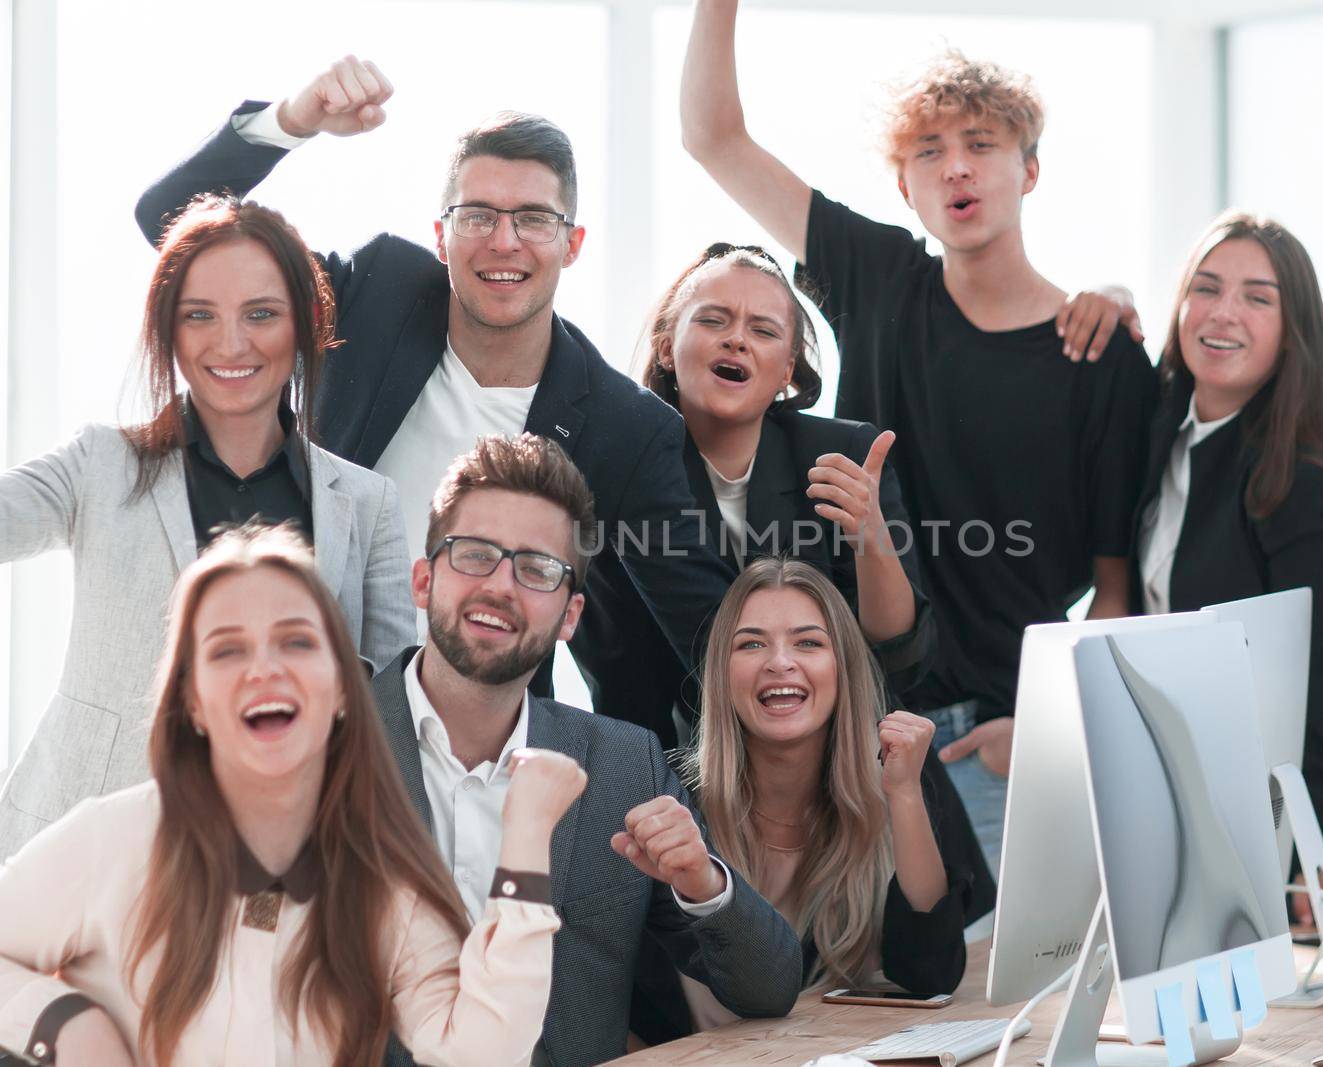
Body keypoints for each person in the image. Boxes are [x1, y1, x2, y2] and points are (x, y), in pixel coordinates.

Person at [680, 1, 1157, 872]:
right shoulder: (882, 278)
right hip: (847, 743)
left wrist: (1050, 732)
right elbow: (714, 136)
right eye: (928, 153)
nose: (956, 168)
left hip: (1007, 746)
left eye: (980, 143)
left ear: (1031, 169)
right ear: (905, 187)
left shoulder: (1103, 358)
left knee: (1012, 1004)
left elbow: (1118, 595)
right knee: (846, 1005)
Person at [136, 57, 734, 721]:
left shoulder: (624, 427)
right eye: (478, 215)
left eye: (534, 218)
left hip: (477, 752)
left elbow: (712, 636)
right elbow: (171, 222)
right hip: (292, 706)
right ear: (442, 237)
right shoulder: (376, 295)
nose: (504, 242)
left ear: (572, 244)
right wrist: (292, 121)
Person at [0, 524, 577, 1067]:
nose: (263, 669)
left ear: (342, 691)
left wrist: (525, 838)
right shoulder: (112, 838)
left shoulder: (383, 883)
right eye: (227, 650)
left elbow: (484, 1054)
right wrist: (66, 1024)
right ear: (193, 701)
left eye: (296, 642)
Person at [0, 196, 413, 859]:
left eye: (261, 314)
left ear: (306, 323)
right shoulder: (101, 464)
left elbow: (389, 712)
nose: (231, 344)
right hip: (81, 854)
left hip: (272, 871)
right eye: (199, 315)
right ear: (168, 327)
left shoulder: (365, 504)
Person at [370, 433, 800, 1067]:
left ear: (570, 616)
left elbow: (769, 987)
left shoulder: (623, 764)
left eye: (537, 569)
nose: (501, 587)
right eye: (476, 555)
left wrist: (702, 882)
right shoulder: (321, 745)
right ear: (424, 578)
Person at [1135, 212, 1323, 928]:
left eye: (1257, 297)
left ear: (1290, 328)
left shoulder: (1300, 477)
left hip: (1282, 810)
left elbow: (1315, 679)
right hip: (1192, 797)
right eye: (1205, 288)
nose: (1224, 313)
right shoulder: (1161, 439)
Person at [582, 242, 936, 748]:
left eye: (763, 330)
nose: (737, 341)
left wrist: (872, 536)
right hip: (694, 776)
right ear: (666, 347)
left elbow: (903, 658)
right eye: (713, 321)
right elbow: (620, 684)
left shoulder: (845, 453)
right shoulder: (620, 476)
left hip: (854, 759)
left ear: (788, 369)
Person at [632, 557, 992, 1043]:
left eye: (808, 642)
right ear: (721, 672)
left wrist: (904, 793)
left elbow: (929, 977)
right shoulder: (669, 797)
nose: (780, 662)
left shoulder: (896, 771)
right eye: (752, 643)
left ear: (843, 668)